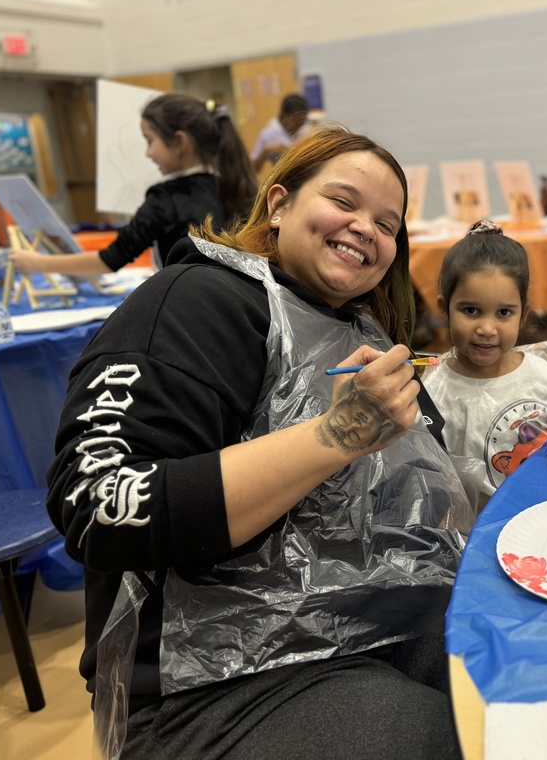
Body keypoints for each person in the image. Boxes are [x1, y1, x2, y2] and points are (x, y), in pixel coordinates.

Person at [44, 126, 472, 759]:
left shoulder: (361, 330)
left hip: (371, 623)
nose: (366, 229)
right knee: (434, 737)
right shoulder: (197, 300)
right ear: (278, 205)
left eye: (387, 224)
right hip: (215, 678)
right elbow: (94, 505)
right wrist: (335, 436)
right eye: (345, 202)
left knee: (520, 680)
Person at [422, 220, 547, 510]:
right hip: (481, 529)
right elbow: (434, 481)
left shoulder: (542, 373)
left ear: (523, 316)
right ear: (444, 310)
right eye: (471, 310)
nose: (487, 328)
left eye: (504, 313)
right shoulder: (435, 394)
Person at [10, 93, 255, 278]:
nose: (148, 153)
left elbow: (110, 260)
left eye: (150, 141)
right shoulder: (230, 186)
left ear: (180, 141)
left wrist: (37, 263)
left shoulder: (165, 199)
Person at [251, 93, 314, 174]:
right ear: (284, 115)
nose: (300, 125)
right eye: (296, 121)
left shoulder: (307, 130)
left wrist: (288, 151)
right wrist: (265, 151)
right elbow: (253, 170)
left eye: (303, 121)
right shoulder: (268, 135)